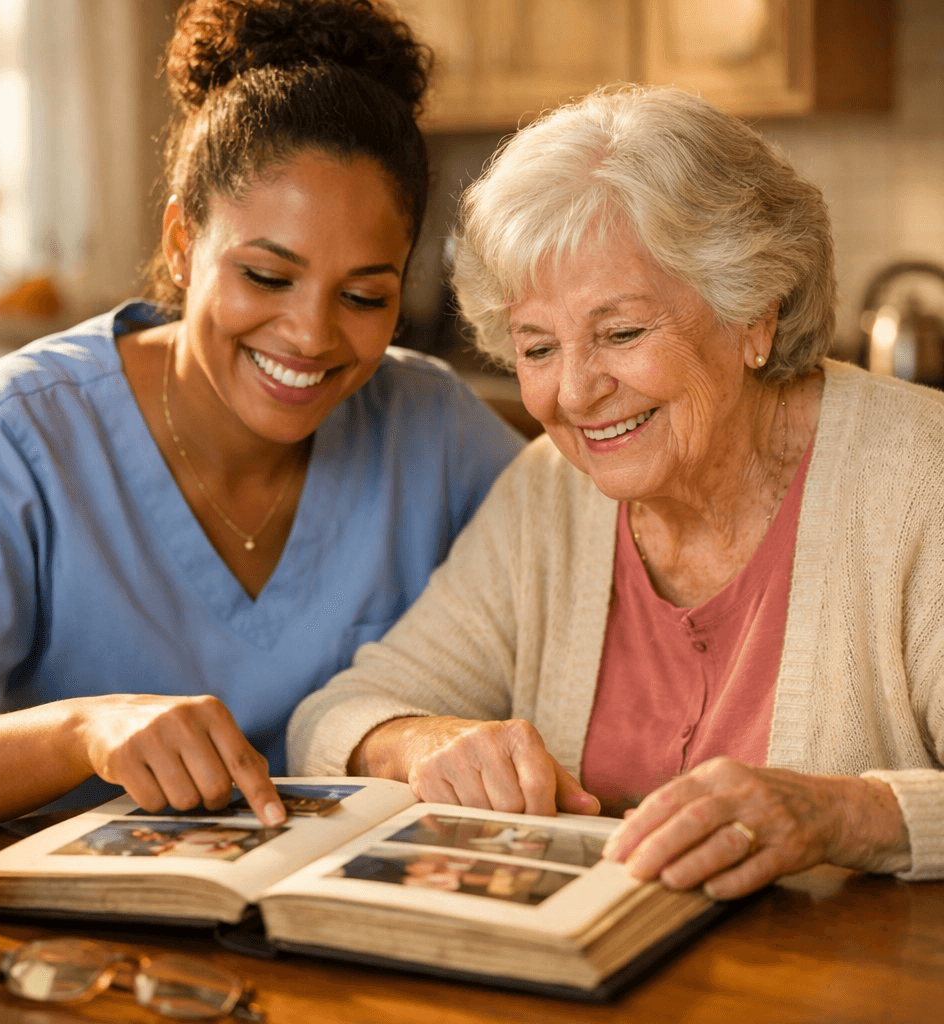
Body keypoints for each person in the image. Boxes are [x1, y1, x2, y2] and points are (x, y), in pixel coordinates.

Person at [288, 84, 944, 899]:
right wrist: (420, 743)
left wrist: (842, 814)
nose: (573, 393)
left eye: (622, 334)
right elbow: (335, 716)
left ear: (755, 314)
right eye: (537, 348)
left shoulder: (921, 479)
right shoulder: (551, 495)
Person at [0, 0, 523, 826]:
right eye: (267, 278)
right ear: (180, 242)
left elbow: (606, 553)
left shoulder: (435, 428)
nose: (311, 336)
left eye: (363, 295)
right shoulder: (20, 430)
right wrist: (79, 732)